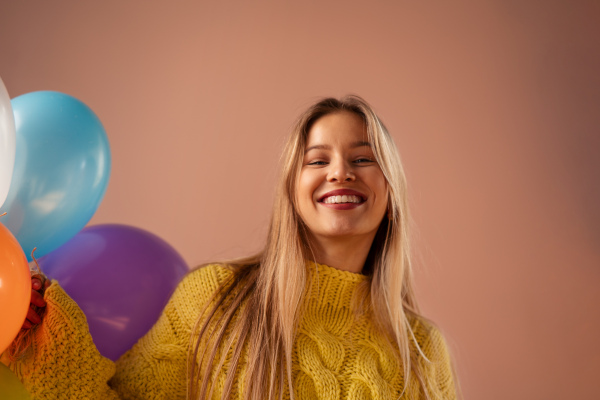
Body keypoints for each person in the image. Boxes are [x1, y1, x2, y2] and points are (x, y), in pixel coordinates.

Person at [3, 95, 458, 399]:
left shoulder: (423, 350)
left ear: (390, 189)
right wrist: (44, 333)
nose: (341, 172)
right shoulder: (214, 298)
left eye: (363, 158)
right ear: (292, 191)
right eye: (317, 160)